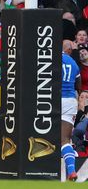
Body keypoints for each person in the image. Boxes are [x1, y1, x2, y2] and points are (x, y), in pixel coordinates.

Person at [61, 40, 81, 181]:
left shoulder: (51, 59)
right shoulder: (74, 64)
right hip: (69, 101)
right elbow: (78, 87)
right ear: (68, 50)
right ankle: (71, 171)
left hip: (51, 100)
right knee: (65, 140)